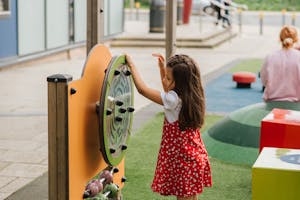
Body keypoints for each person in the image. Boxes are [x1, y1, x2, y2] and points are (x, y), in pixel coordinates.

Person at [125, 53, 212, 200]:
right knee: (191, 197)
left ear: (180, 84)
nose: (164, 80)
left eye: (168, 78)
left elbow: (143, 90)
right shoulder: (191, 95)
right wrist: (162, 70)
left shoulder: (173, 100)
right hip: (194, 157)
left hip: (183, 161)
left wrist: (131, 65)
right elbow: (168, 90)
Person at [260, 25, 300, 102]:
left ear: (280, 39)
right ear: (296, 39)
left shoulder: (270, 57)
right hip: (296, 103)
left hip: (272, 103)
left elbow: (264, 81)